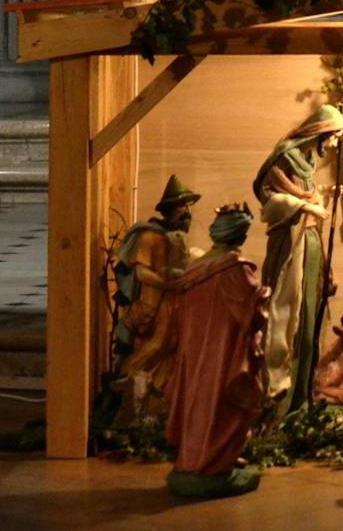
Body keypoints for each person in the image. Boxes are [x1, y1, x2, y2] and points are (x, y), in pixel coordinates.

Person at [164, 204, 270, 499]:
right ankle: (211, 462)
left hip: (195, 351)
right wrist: (263, 294)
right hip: (223, 353)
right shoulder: (233, 269)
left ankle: (199, 457)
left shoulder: (195, 269)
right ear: (238, 235)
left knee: (198, 400)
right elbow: (250, 310)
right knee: (222, 403)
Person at [253, 104, 343, 414]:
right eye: (333, 137)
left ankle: (303, 398)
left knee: (310, 321)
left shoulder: (307, 162)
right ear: (319, 132)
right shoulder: (284, 156)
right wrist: (307, 207)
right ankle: (280, 401)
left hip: (310, 243)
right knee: (287, 320)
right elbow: (272, 200)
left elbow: (307, 195)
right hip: (290, 247)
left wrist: (323, 193)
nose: (334, 144)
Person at [112, 174, 200, 397]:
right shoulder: (149, 236)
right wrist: (169, 284)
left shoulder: (175, 238)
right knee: (156, 344)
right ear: (170, 209)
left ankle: (159, 391)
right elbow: (142, 273)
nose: (187, 211)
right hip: (153, 302)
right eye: (182, 206)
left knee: (172, 345)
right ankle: (125, 383)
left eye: (188, 206)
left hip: (173, 302)